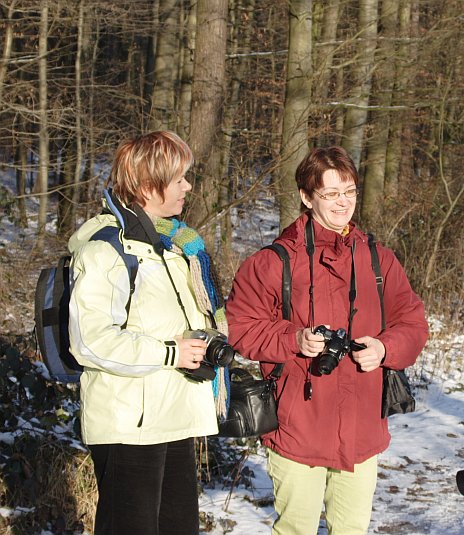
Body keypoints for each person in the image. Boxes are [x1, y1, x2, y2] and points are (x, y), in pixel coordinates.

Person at [226, 146, 429, 535]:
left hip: (362, 427)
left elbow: (413, 322)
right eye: (331, 194)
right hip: (297, 425)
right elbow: (243, 327)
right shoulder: (273, 262)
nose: (342, 203)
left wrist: (386, 349)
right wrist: (293, 338)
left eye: (349, 191)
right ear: (306, 197)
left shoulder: (378, 259)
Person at [69, 131, 225, 535]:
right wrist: (171, 353)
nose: (187, 186)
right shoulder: (104, 250)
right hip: (129, 424)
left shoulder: (173, 247)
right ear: (145, 186)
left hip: (174, 416)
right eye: (178, 179)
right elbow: (90, 341)